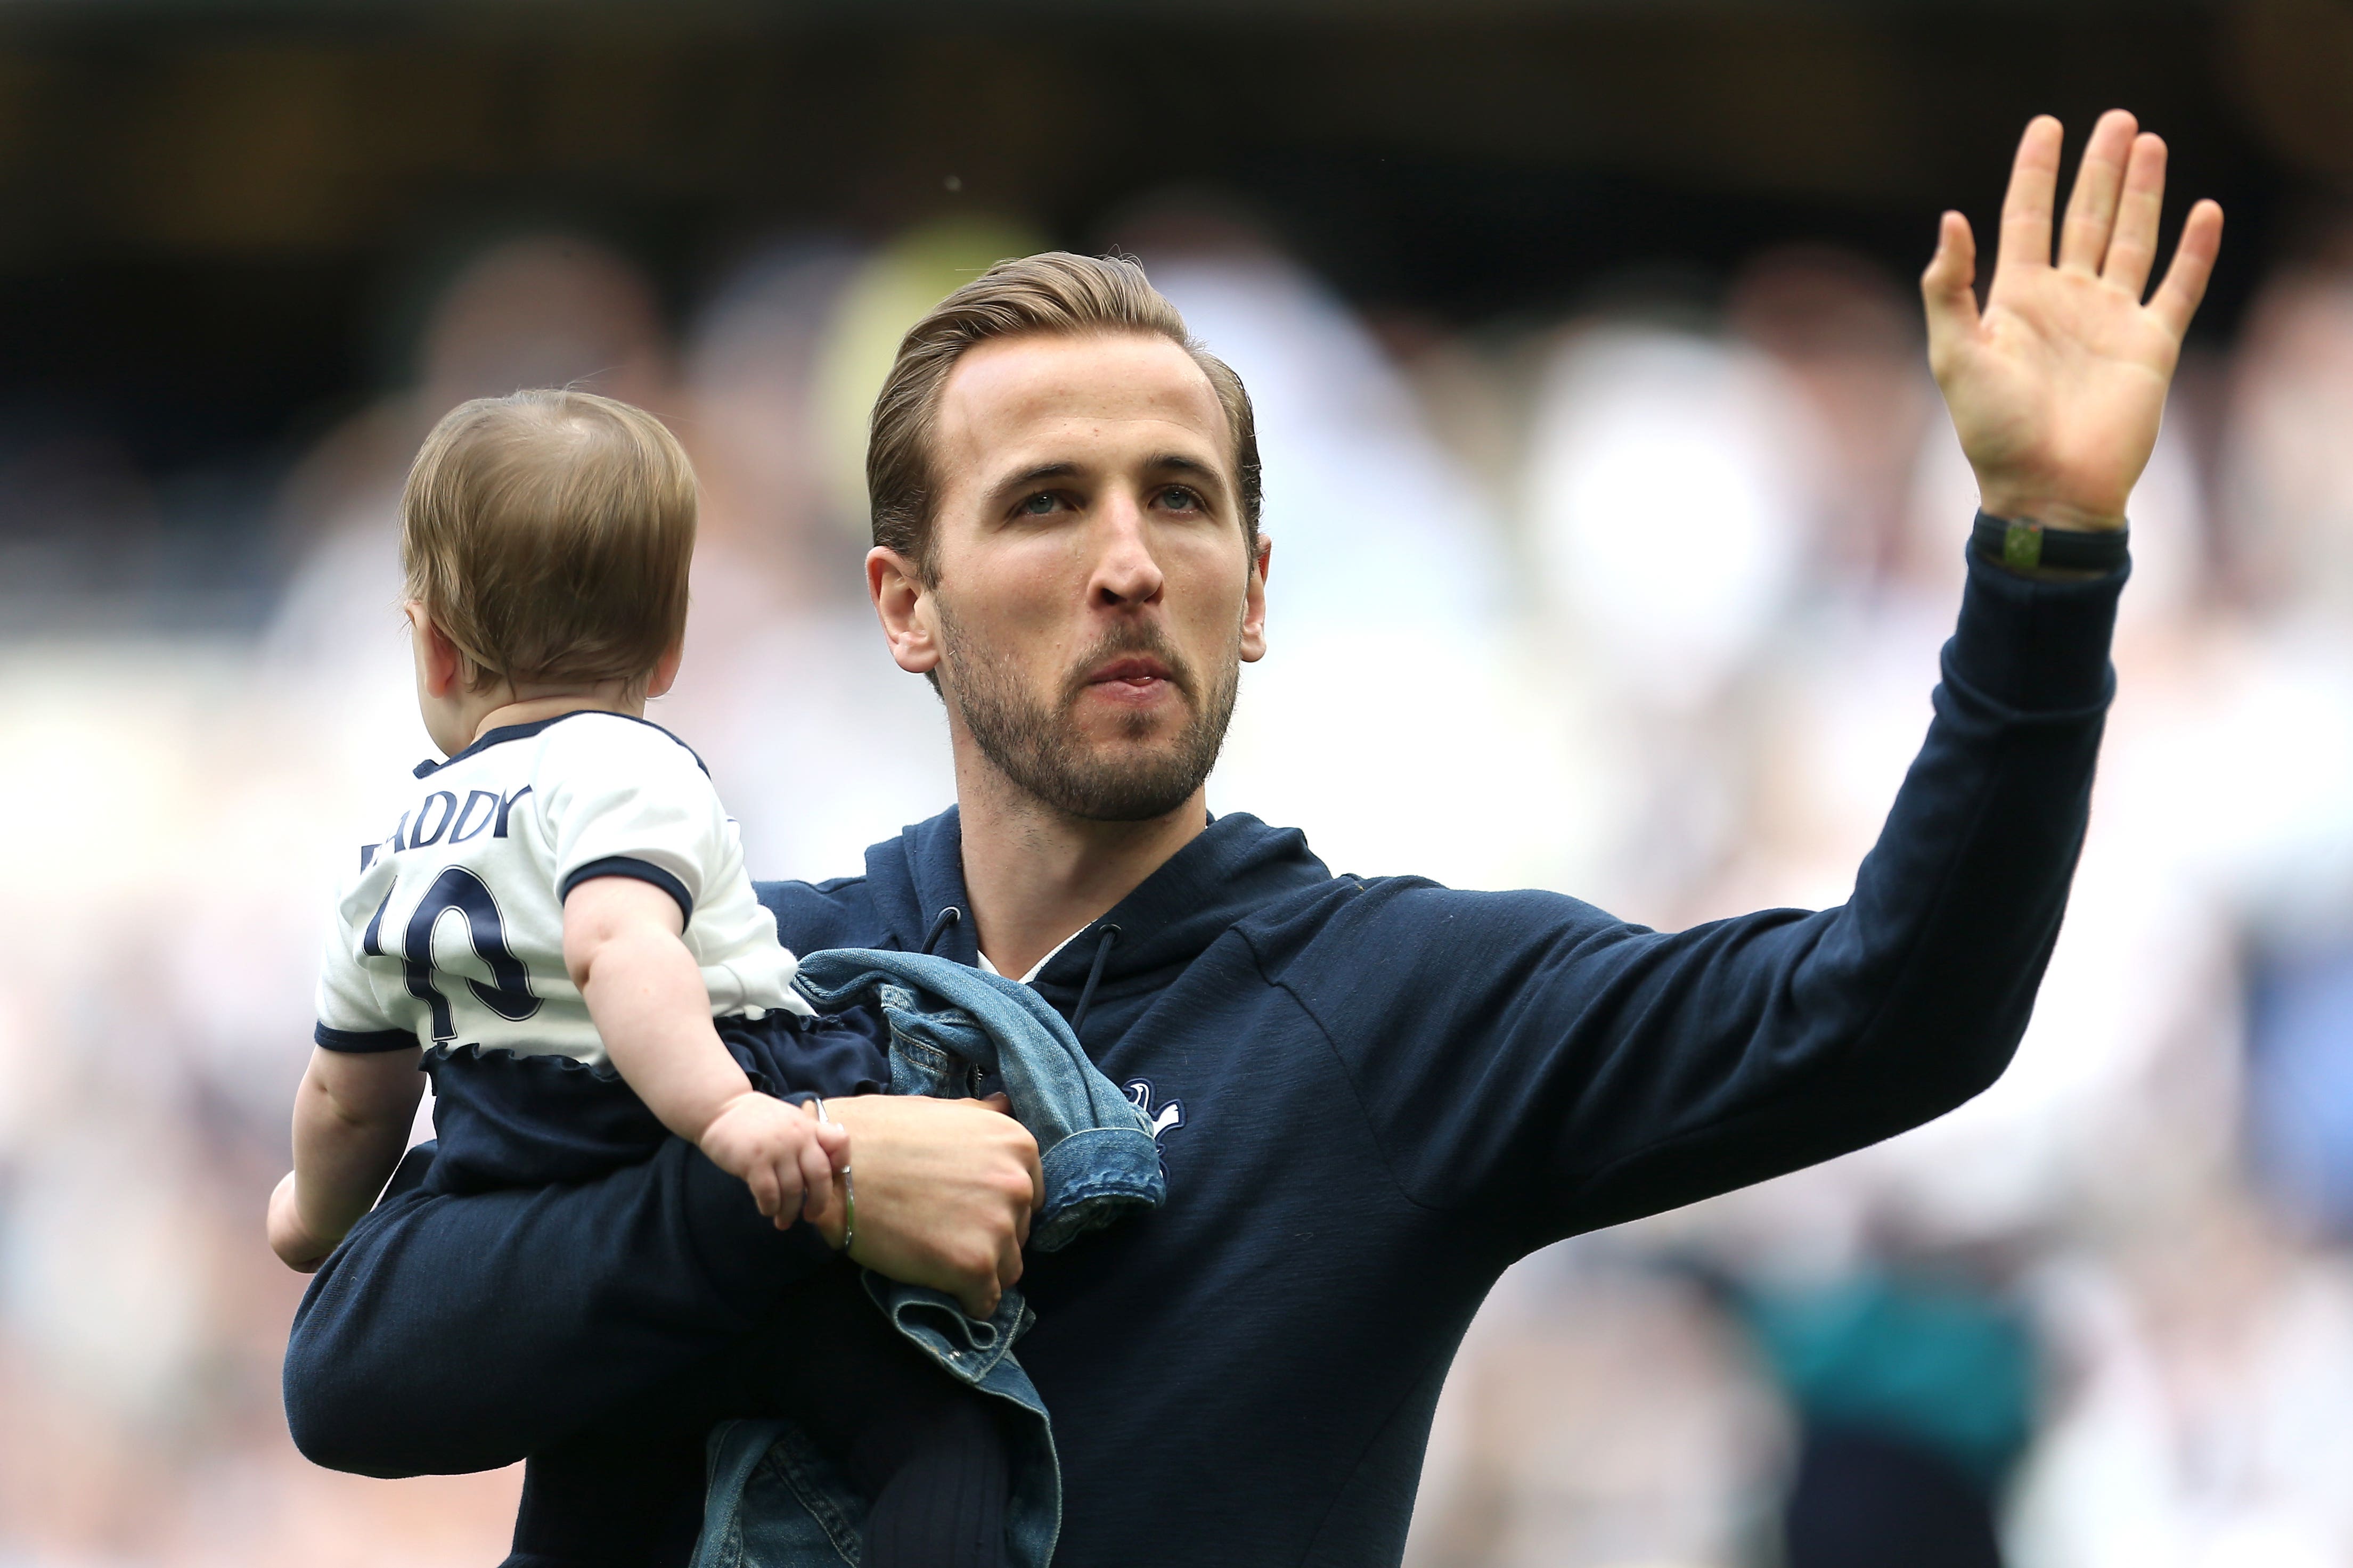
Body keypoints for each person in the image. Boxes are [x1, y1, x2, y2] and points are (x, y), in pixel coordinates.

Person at [282, 111, 2224, 1566]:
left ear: (1257, 583)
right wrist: (780, 1187)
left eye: (1181, 503)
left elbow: (1897, 1008)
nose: (1128, 561)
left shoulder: (1398, 1009)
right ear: (905, 603)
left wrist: (2043, 551)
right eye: (1044, 504)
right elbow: (358, 1365)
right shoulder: (732, 980)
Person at [265, 388, 1037, 1568]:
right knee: (942, 1441)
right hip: (678, 1114)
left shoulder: (393, 849)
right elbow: (620, 949)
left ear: (430, 644)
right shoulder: (628, 765)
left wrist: (311, 1213)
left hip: (513, 1160)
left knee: (607, 1485)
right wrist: (733, 1116)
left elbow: (347, 1095)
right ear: (669, 647)